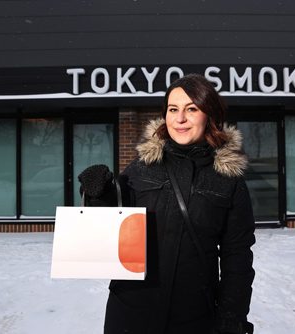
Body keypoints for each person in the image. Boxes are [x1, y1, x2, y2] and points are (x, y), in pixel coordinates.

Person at [98, 74, 255, 334]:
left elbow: (237, 256)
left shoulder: (229, 180)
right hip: (130, 314)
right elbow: (110, 223)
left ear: (210, 115)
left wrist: (232, 315)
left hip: (193, 317)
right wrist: (97, 194)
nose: (180, 119)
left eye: (191, 109)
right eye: (173, 109)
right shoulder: (141, 167)